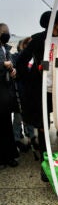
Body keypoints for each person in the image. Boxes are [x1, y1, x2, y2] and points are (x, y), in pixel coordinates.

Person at [16, 10, 58, 180]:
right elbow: (21, 62)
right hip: (42, 91)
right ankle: (46, 165)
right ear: (55, 23)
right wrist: (33, 76)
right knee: (43, 127)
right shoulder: (37, 39)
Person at [0, 23, 19, 168]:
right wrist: (3, 65)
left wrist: (13, 70)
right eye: (4, 32)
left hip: (6, 91)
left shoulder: (6, 49)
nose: (6, 34)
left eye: (7, 31)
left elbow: (11, 64)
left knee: (6, 125)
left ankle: (9, 156)